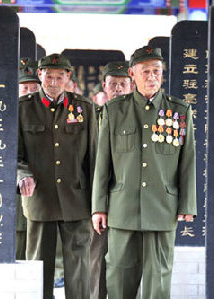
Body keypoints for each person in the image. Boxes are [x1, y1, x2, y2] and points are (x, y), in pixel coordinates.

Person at [91, 46, 197, 299]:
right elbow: (103, 163)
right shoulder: (114, 111)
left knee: (158, 277)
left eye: (156, 71)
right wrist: (98, 207)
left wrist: (187, 205)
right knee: (118, 274)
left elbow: (188, 161)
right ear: (132, 74)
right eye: (145, 71)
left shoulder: (179, 111)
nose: (152, 77)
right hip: (121, 208)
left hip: (162, 207)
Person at [18, 53, 97, 299]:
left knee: (80, 269)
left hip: (77, 199)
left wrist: (98, 203)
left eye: (59, 77)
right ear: (39, 75)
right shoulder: (23, 108)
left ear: (68, 78)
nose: (53, 82)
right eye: (48, 76)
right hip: (40, 199)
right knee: (38, 268)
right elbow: (15, 155)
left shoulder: (84, 108)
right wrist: (22, 176)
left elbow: (94, 157)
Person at [89, 61, 132, 299]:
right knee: (97, 258)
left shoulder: (140, 117)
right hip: (98, 199)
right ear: (104, 86)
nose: (117, 89)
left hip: (128, 199)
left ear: (131, 85)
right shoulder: (91, 118)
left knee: (128, 260)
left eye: (122, 84)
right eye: (112, 84)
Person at [16, 57, 41, 260]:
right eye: (25, 88)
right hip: (15, 205)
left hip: (44, 204)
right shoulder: (4, 116)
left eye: (35, 88)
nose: (30, 93)